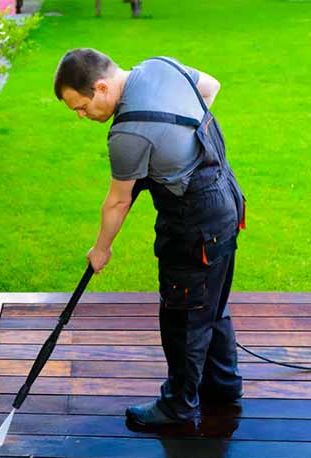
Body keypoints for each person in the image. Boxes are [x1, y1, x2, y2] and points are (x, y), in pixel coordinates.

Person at [53, 48, 246, 425]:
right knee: (211, 304)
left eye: (81, 107)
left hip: (194, 226)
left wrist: (100, 250)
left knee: (184, 316)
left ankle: (178, 407)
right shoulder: (162, 66)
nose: (81, 117)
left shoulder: (126, 134)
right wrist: (174, 148)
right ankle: (223, 385)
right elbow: (210, 88)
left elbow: (118, 202)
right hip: (226, 200)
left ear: (102, 87)